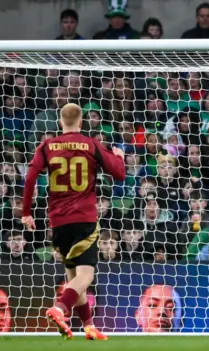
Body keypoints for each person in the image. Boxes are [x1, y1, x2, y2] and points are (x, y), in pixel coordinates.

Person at [21, 103, 126, 340]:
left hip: (58, 223)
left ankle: (88, 325)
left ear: (60, 123)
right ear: (81, 123)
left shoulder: (46, 146)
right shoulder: (91, 144)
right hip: (84, 220)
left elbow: (29, 179)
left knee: (73, 278)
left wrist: (26, 212)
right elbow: (119, 174)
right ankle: (59, 308)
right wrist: (119, 157)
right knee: (86, 276)